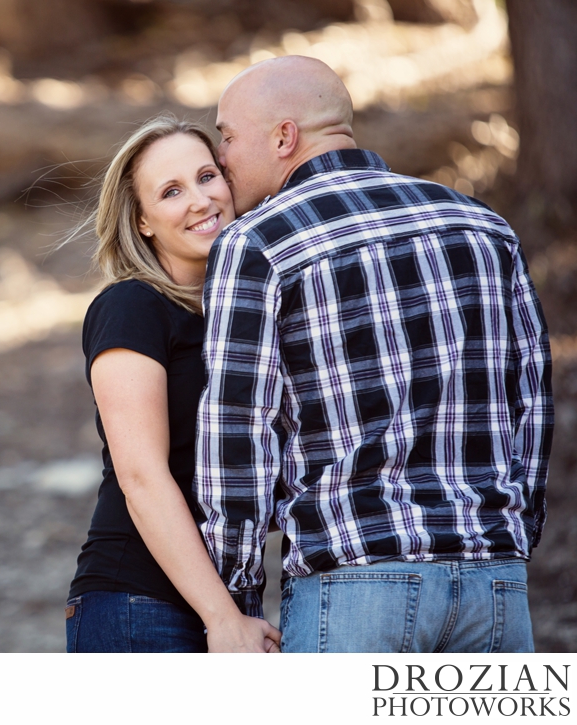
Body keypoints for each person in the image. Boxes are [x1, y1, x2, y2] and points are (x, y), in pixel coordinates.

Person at [196, 55, 553, 652]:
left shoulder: (258, 244)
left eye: (227, 136)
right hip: (495, 581)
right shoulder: (483, 226)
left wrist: (235, 597)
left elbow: (239, 433)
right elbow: (533, 400)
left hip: (355, 587)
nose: (221, 157)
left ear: (284, 137)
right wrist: (513, 537)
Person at [64, 115, 282, 653]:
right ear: (142, 221)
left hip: (229, 600)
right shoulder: (131, 307)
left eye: (208, 177)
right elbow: (141, 476)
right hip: (138, 604)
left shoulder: (243, 315)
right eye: (171, 191)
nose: (200, 201)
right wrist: (222, 617)